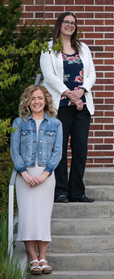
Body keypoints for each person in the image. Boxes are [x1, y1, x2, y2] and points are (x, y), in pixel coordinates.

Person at [40, 12, 96, 203]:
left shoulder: (83, 48)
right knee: (60, 150)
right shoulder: (49, 47)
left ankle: (77, 192)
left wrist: (82, 91)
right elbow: (49, 76)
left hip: (82, 107)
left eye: (73, 23)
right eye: (66, 22)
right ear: (59, 24)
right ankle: (61, 192)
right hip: (60, 106)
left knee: (80, 149)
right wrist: (71, 94)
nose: (70, 25)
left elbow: (91, 74)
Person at [10, 85, 63, 275]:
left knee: (42, 218)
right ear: (28, 101)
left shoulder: (56, 124)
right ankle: (33, 259)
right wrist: (24, 173)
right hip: (24, 176)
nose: (37, 102)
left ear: (46, 100)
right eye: (33, 98)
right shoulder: (19, 123)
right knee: (27, 218)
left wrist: (44, 174)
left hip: (46, 176)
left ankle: (43, 257)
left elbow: (57, 152)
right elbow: (14, 151)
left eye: (40, 98)